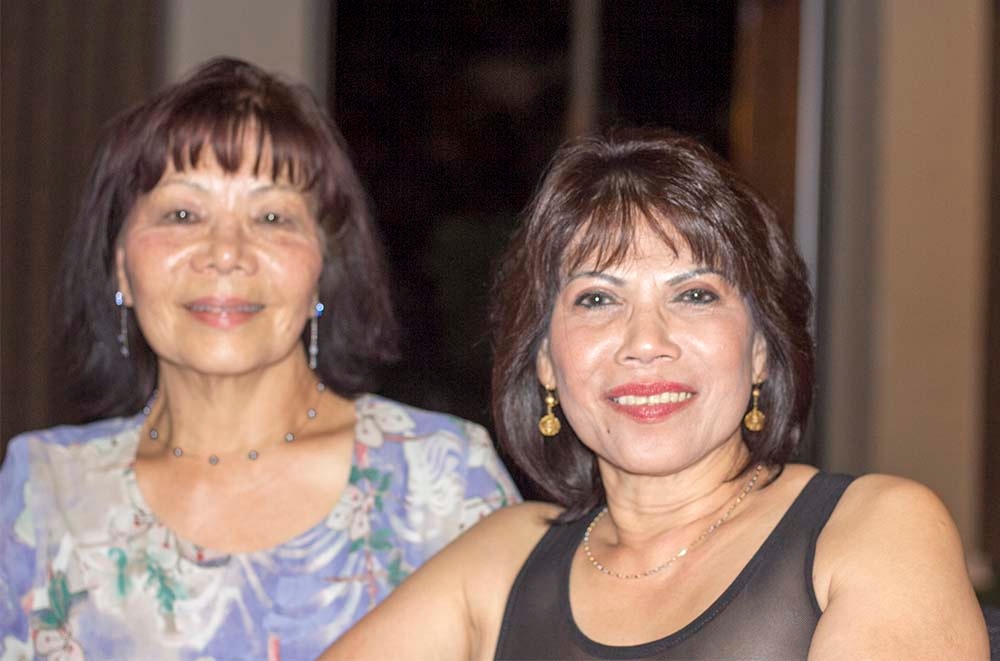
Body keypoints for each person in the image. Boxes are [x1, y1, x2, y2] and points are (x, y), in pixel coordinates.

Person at [325, 129, 989, 659]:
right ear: (546, 363)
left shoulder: (873, 528)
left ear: (761, 348)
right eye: (597, 299)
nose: (645, 342)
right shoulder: (504, 559)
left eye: (694, 295)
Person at [0, 58, 518, 660]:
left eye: (271, 217)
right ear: (120, 267)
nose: (226, 252)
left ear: (323, 267)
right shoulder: (43, 492)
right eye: (182, 214)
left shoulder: (444, 481)